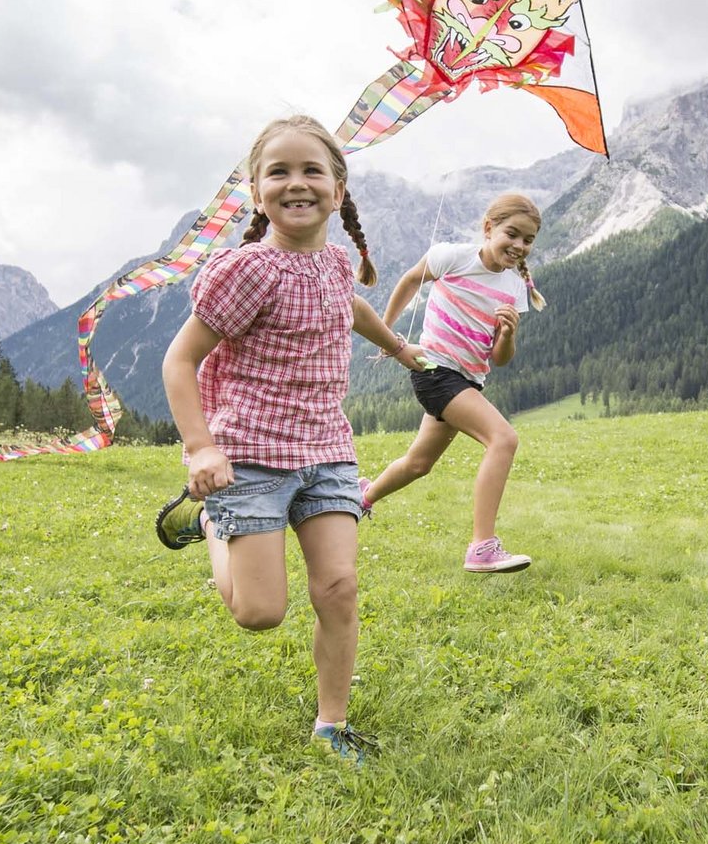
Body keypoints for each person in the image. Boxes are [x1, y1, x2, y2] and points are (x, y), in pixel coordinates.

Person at [154, 115, 427, 765]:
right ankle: (216, 525)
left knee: (338, 587)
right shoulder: (247, 271)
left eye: (312, 170)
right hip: (247, 457)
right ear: (256, 190)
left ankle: (330, 723)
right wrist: (201, 448)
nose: (296, 182)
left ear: (338, 188)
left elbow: (350, 306)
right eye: (279, 170)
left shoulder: (335, 263)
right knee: (259, 612)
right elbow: (177, 360)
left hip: (327, 453)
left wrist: (397, 345)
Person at [358, 193, 546, 573]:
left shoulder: (513, 288)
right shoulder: (452, 257)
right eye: (513, 234)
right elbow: (411, 280)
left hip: (467, 380)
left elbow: (500, 359)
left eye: (528, 240)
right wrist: (387, 335)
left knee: (418, 463)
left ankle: (361, 498)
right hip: (434, 371)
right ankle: (482, 548)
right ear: (489, 228)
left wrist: (508, 335)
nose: (519, 245)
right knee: (504, 439)